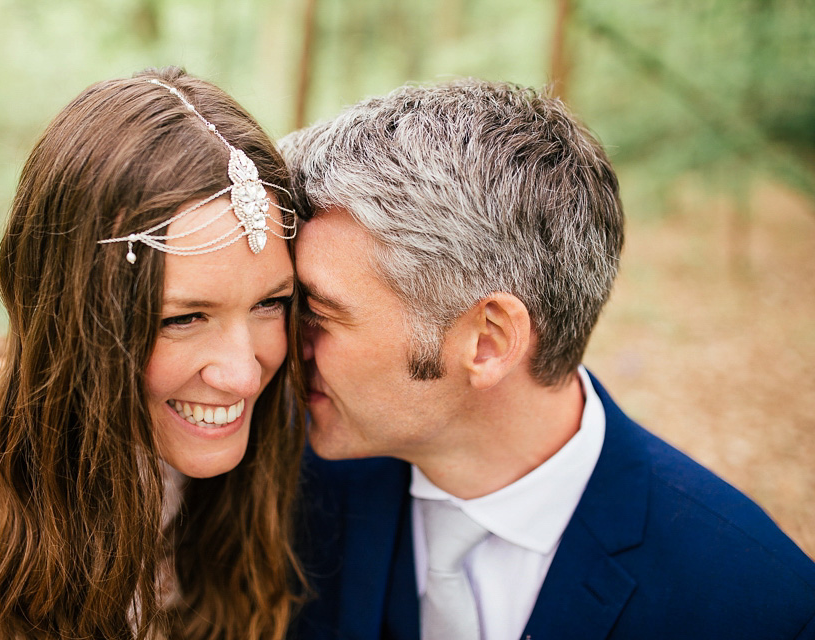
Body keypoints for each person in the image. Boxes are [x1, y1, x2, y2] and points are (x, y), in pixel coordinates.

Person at [281, 79, 815, 640]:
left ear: (487, 342)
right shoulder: (279, 488)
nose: (288, 347)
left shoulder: (756, 606)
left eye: (317, 313)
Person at [0, 67, 306, 640]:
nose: (243, 375)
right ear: (75, 314)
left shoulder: (277, 444)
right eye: (183, 318)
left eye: (271, 304)